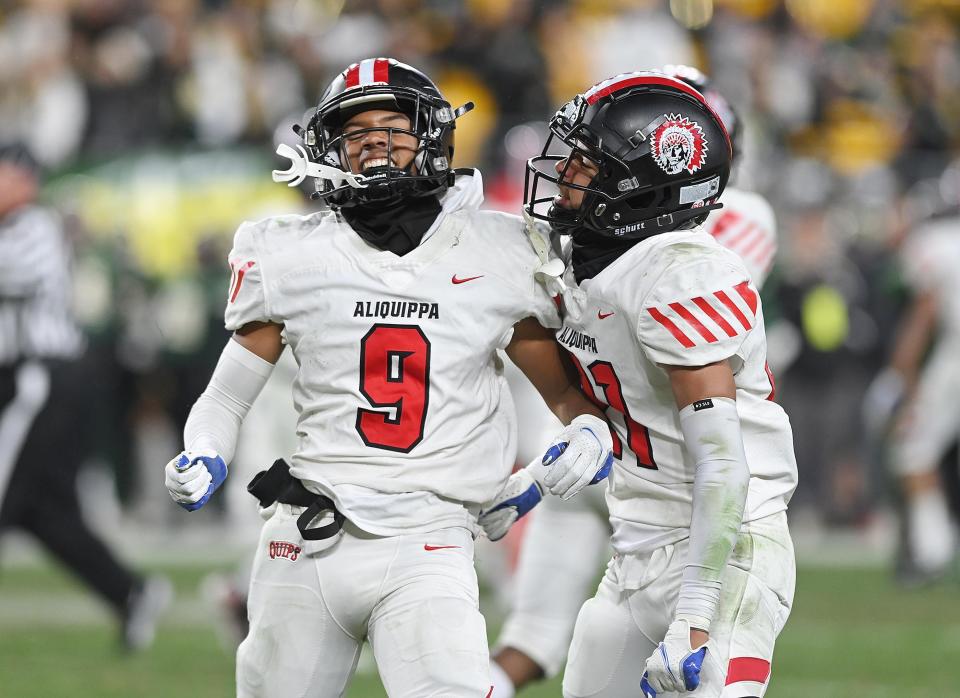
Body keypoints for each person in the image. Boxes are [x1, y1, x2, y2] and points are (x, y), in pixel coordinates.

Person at [162, 57, 614, 698]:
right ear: (329, 152)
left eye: (392, 126)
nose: (374, 141)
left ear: (432, 135)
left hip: (429, 538)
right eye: (355, 133)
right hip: (305, 535)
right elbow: (227, 394)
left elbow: (570, 398)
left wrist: (580, 442)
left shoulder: (504, 250)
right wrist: (204, 450)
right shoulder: (291, 252)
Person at [493, 72, 798, 697]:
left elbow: (721, 462)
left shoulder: (680, 273)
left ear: (640, 185)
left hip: (727, 544)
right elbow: (583, 391)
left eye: (586, 163)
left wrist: (694, 612)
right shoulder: (582, 259)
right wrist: (572, 438)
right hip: (638, 536)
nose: (564, 174)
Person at [0, 142, 171, 651]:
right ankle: (129, 592)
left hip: (41, 379)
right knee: (42, 513)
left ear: (26, 180)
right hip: (22, 381)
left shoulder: (35, 227)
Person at [863, 173, 960, 584]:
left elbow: (923, 314)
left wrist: (901, 374)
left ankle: (931, 552)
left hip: (954, 357)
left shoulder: (934, 243)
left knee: (913, 451)